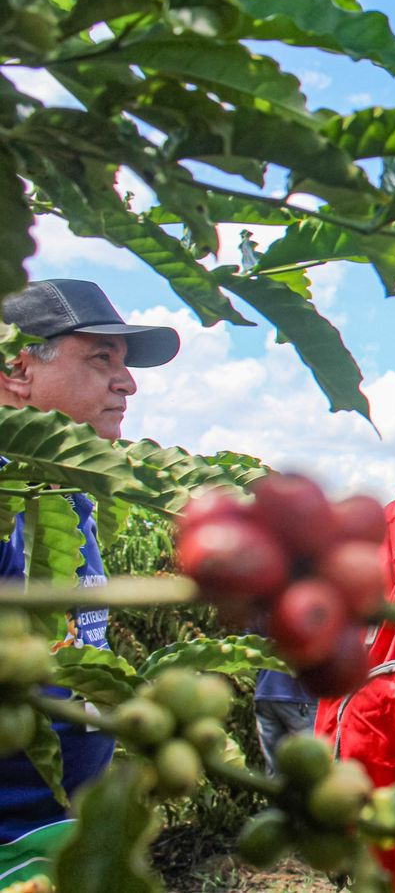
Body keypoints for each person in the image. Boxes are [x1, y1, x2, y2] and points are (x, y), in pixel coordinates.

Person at [0, 279, 179, 883]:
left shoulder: (62, 493)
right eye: (101, 359)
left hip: (55, 844)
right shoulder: (6, 504)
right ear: (17, 370)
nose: (127, 384)